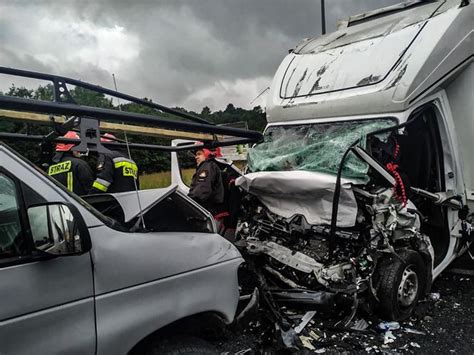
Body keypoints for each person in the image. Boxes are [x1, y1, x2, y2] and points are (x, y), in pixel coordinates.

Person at [48, 131, 94, 195]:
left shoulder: (50, 168)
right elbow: (90, 189)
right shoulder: (80, 164)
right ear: (71, 148)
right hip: (77, 203)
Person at [188, 146, 225, 216]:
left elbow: (201, 192)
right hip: (213, 209)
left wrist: (187, 203)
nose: (196, 157)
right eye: (196, 155)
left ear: (208, 153)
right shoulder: (213, 166)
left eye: (199, 154)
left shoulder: (207, 166)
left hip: (207, 210)